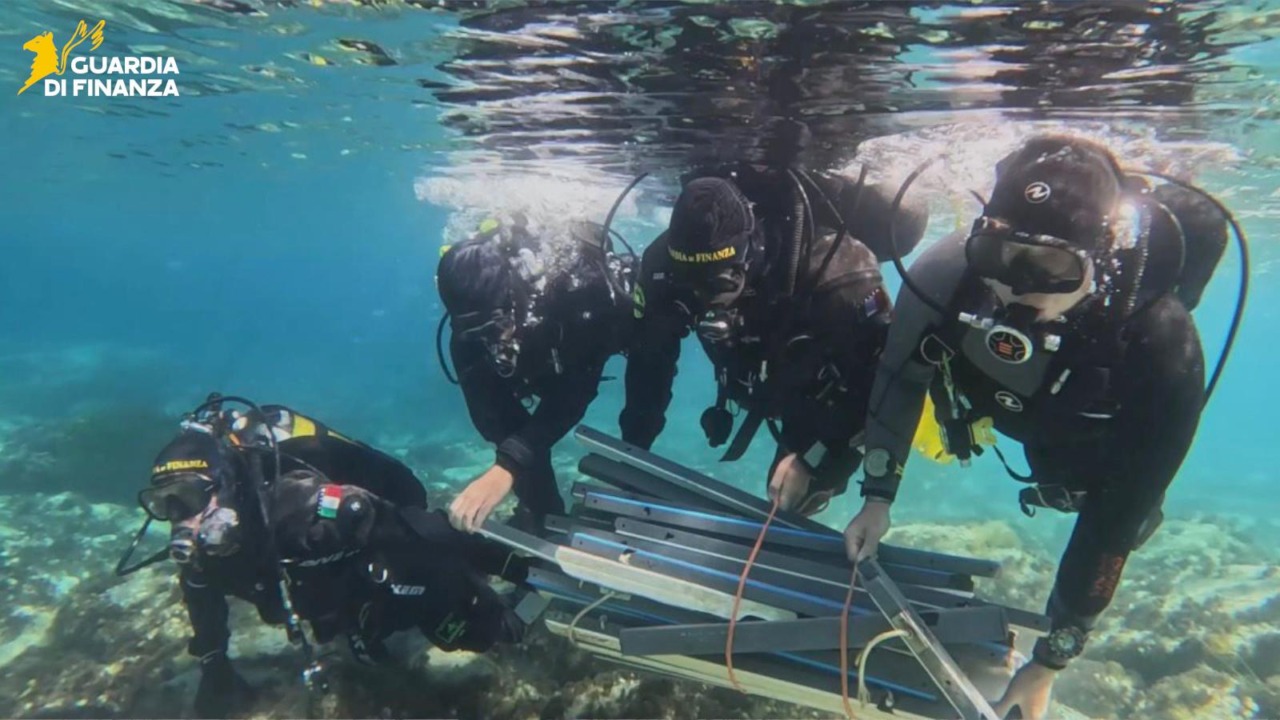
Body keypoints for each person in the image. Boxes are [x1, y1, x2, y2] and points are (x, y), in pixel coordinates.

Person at [842, 135, 1232, 719]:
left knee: (1131, 514)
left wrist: (1053, 656)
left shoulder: (1161, 342)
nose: (1015, 287)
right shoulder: (948, 275)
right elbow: (900, 378)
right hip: (999, 408)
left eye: (1052, 267)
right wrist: (876, 496)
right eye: (999, 256)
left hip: (1088, 450)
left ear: (1105, 253)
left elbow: (1120, 513)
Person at [136, 398, 527, 719]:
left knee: (472, 633)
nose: (180, 518)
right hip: (336, 587)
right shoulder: (202, 548)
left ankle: (498, 581)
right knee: (355, 631)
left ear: (226, 487)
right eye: (163, 504)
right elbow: (200, 593)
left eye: (189, 498)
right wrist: (213, 662)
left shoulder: (300, 509)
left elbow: (413, 530)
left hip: (389, 556)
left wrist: (487, 582)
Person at [619, 161, 930, 514]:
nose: (706, 300)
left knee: (793, 495)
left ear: (751, 251)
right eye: (692, 282)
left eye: (719, 283)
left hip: (821, 400)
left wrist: (816, 459)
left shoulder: (838, 278)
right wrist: (633, 449)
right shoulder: (662, 268)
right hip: (761, 379)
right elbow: (650, 361)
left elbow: (880, 388)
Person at [437, 214, 634, 533]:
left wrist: (508, 466)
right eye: (474, 332)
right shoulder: (467, 331)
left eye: (495, 327)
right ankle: (547, 520)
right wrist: (514, 474)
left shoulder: (575, 293)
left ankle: (634, 486)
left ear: (514, 300)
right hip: (543, 356)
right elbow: (493, 418)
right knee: (510, 442)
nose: (490, 342)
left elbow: (575, 393)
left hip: (588, 340)